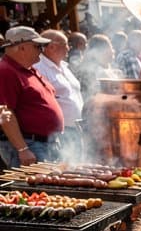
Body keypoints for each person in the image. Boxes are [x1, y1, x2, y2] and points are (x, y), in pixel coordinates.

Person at [0, 26, 63, 166]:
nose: (41, 51)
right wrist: (22, 149)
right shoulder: (5, 71)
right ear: (21, 48)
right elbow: (5, 113)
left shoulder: (28, 68)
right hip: (31, 144)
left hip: (44, 143)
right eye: (37, 46)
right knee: (37, 187)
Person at [35, 28, 85, 161]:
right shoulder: (39, 68)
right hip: (60, 132)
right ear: (51, 47)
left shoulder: (64, 66)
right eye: (66, 44)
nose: (69, 48)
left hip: (76, 129)